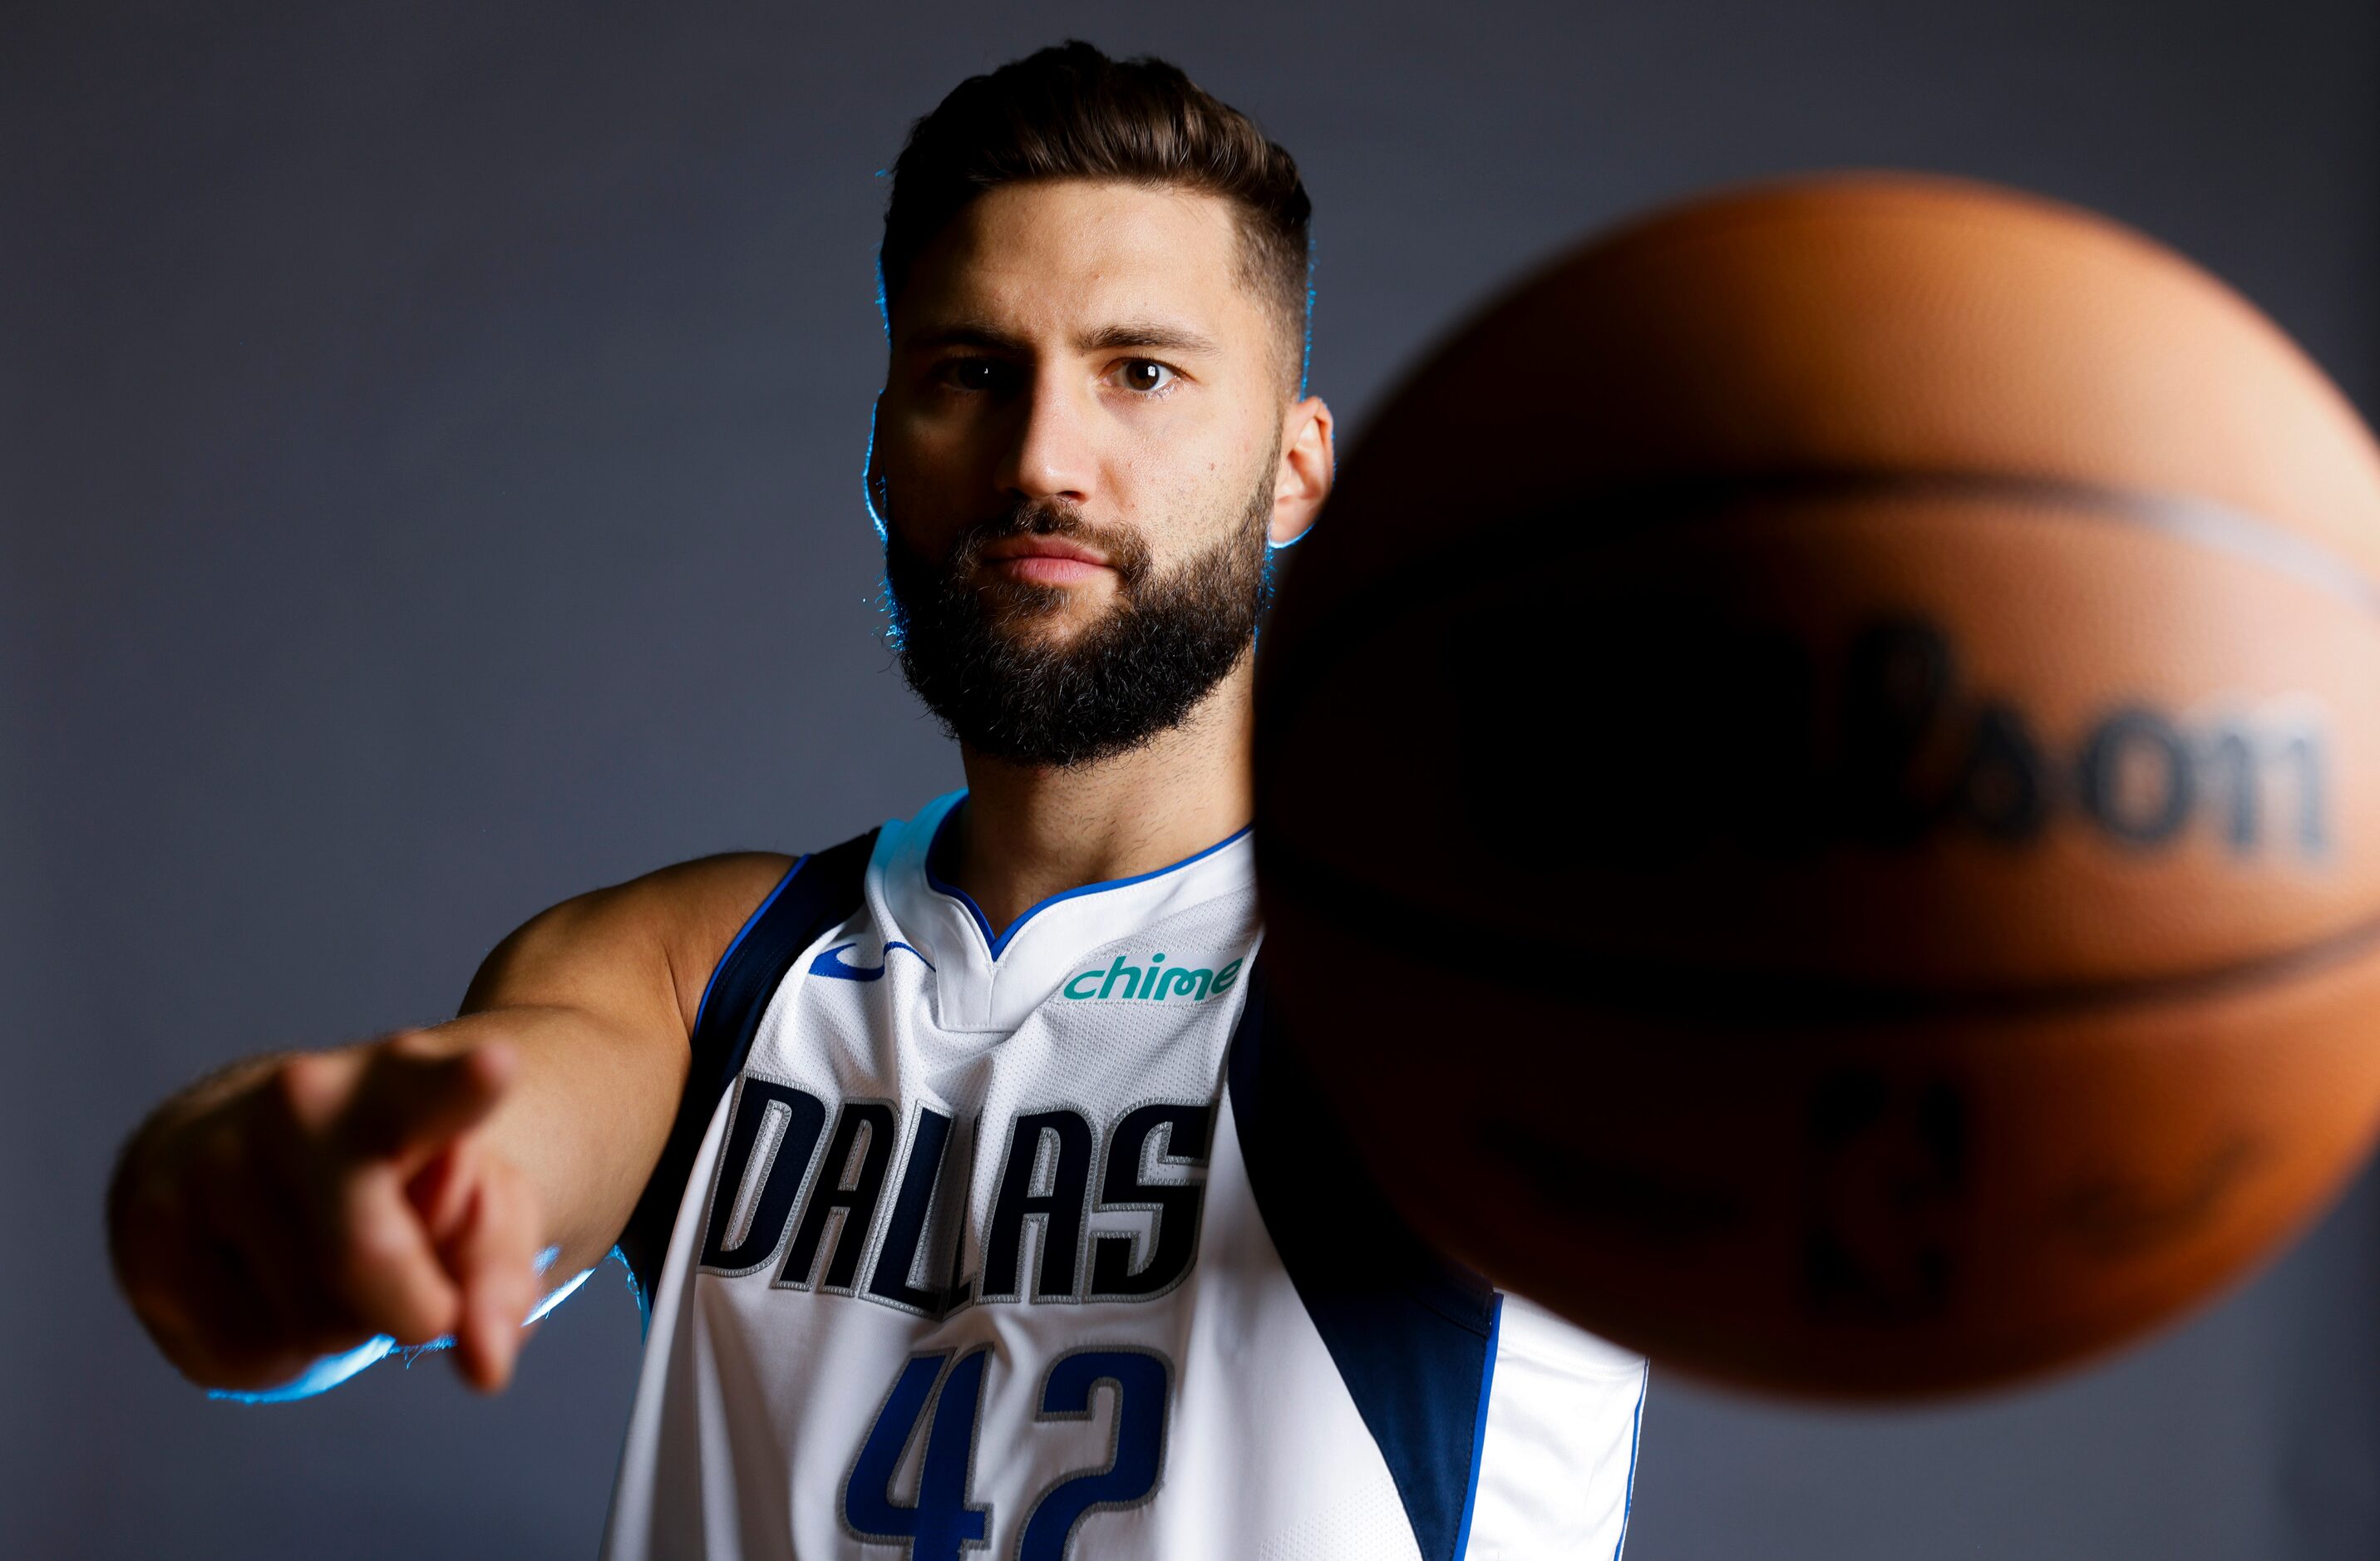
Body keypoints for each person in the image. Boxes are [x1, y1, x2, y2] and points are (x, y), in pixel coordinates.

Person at [106, 41, 1647, 1559]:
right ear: (880, 456)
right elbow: (495, 1127)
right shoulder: (703, 963)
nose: (1044, 458)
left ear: (1297, 467)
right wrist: (289, 1191)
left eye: (1143, 374)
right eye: (973, 374)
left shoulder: (1439, 972)